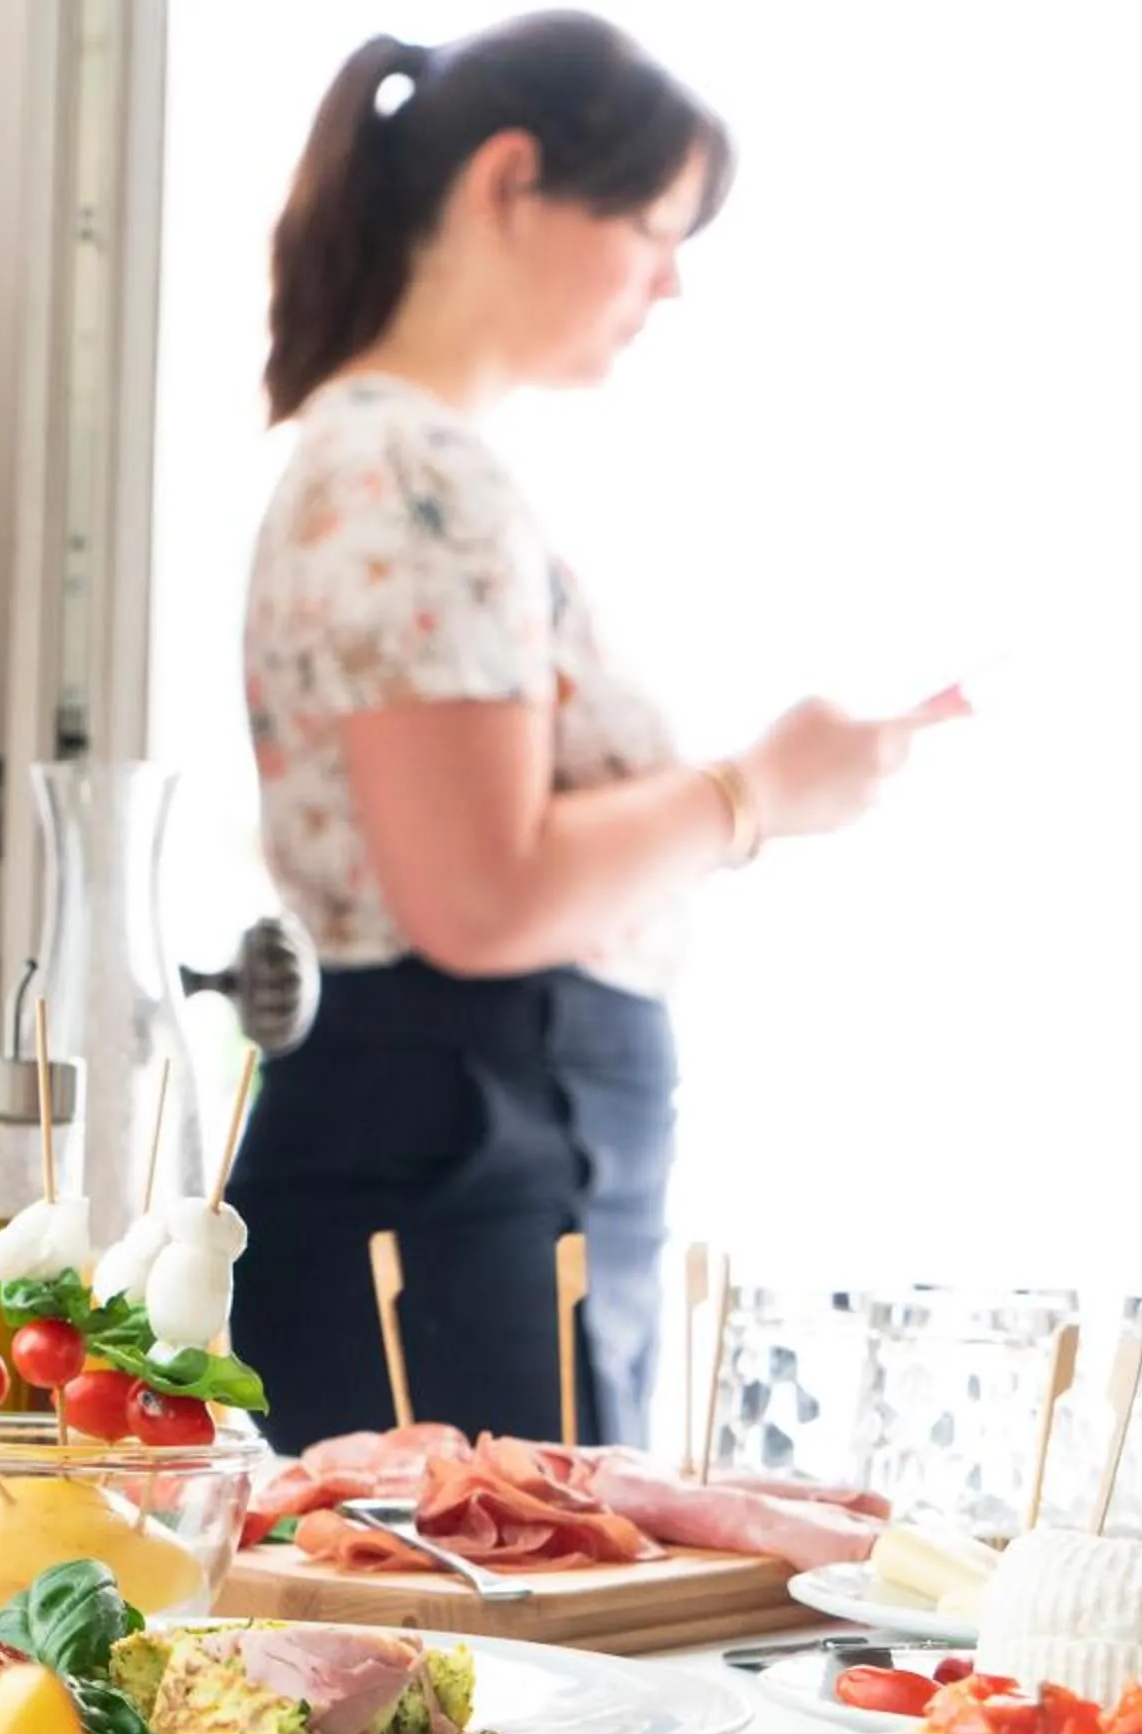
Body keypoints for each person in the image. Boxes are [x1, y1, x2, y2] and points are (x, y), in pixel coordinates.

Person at [225, 12, 964, 1455]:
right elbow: (478, 896)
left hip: (470, 1156)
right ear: (510, 181)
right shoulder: (409, 469)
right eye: (654, 227)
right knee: (486, 1588)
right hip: (461, 1166)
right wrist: (758, 791)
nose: (670, 279)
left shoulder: (393, 458)